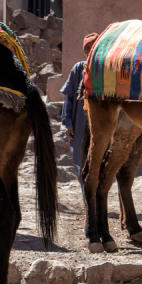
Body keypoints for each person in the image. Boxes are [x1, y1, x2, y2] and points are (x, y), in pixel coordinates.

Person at [61, 32, 98, 176]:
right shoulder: (78, 69)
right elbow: (69, 97)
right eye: (87, 49)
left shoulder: (104, 70)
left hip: (100, 124)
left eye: (93, 48)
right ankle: (86, 196)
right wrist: (68, 122)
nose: (89, 52)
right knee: (80, 161)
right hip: (80, 122)